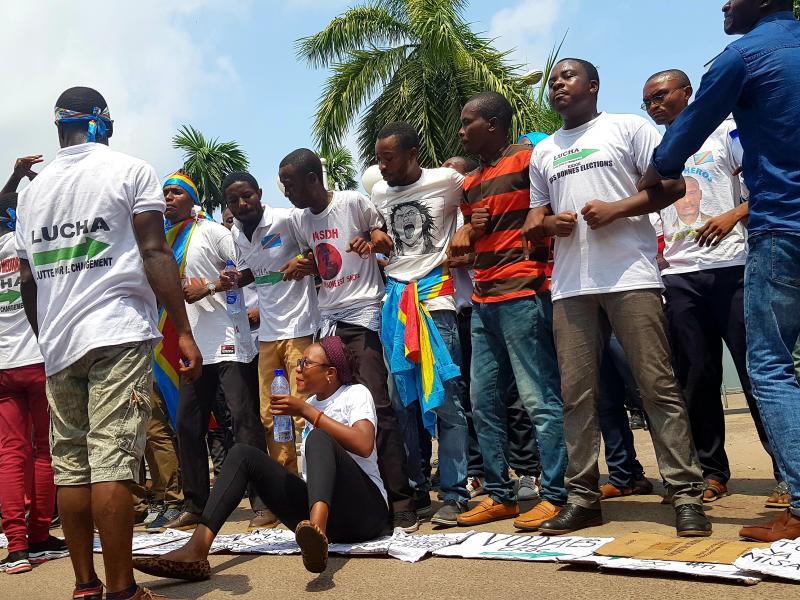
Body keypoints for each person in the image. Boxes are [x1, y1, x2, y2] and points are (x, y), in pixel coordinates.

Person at [15, 86, 202, 600]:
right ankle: (123, 590)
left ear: (60, 127)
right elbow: (154, 251)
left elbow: (30, 280)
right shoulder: (130, 170)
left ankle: (85, 586)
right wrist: (183, 330)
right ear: (102, 121)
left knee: (72, 467)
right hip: (117, 332)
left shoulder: (31, 193)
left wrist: (47, 337)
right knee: (115, 462)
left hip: (58, 344)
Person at [524, 59, 710, 537]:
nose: (558, 85)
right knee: (576, 397)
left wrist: (616, 209)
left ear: (593, 85)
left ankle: (686, 494)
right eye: (553, 81)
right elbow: (532, 224)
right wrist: (550, 224)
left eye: (568, 78)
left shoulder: (628, 128)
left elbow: (672, 185)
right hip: (571, 287)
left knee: (657, 387)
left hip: (631, 275)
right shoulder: (544, 151)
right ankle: (583, 497)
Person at [639, 1, 800, 542]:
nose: (724, 3)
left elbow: (677, 148)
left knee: (769, 368)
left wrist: (659, 167)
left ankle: (795, 496)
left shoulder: (741, 60)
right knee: (700, 375)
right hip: (687, 270)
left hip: (775, 230)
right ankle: (716, 472)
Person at [132, 337, 389, 579]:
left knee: (320, 438)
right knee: (243, 454)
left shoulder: (354, 393)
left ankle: (316, 531)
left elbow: (364, 444)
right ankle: (197, 549)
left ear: (330, 373)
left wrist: (307, 412)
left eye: (305, 363)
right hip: (332, 520)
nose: (298, 369)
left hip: (365, 514)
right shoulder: (311, 402)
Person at [643, 68, 780, 505]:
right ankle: (712, 473)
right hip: (680, 276)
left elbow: (766, 184)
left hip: (734, 268)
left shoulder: (726, 134)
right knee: (696, 378)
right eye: (647, 100)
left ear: (688, 93)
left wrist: (732, 216)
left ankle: (786, 473)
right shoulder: (656, 149)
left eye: (662, 95)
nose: (654, 105)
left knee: (756, 373)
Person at [279, 148, 417, 532]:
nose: (287, 192)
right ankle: (339, 495)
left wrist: (370, 240)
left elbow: (384, 239)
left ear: (312, 179)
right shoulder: (301, 220)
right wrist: (304, 264)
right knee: (327, 407)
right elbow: (318, 257)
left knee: (376, 406)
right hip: (329, 323)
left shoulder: (353, 201)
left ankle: (400, 499)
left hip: (363, 315)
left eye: (291, 184)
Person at [449, 92, 568, 531]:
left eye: (468, 122)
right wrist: (465, 231)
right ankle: (500, 494)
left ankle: (556, 494)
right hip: (483, 301)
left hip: (523, 294)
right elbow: (468, 247)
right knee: (482, 402)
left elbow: (551, 215)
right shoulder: (471, 182)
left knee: (538, 400)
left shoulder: (529, 159)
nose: (461, 131)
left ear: (494, 123)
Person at [370, 122, 470, 526]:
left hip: (435, 297)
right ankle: (416, 488)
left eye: (388, 158)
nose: (382, 166)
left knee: (446, 399)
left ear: (412, 155)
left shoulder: (447, 180)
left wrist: (466, 232)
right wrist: (376, 231)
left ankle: (455, 492)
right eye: (378, 159)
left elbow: (482, 199)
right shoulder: (377, 191)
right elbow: (371, 225)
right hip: (394, 299)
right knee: (402, 401)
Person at [155, 172, 266, 533]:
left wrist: (212, 288)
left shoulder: (212, 231)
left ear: (191, 198)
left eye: (176, 193)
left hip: (228, 339)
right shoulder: (161, 242)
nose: (168, 198)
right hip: (194, 346)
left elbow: (243, 270)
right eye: (165, 193)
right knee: (188, 424)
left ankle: (262, 501)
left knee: (242, 420)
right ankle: (196, 503)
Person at [219, 171, 320, 527]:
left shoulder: (287, 219)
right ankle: (285, 495)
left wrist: (306, 262)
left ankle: (313, 494)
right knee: (271, 416)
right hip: (267, 334)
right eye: (234, 200)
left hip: (300, 328)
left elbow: (318, 250)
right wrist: (237, 279)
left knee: (299, 412)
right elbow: (254, 273)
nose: (242, 204)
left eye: (247, 196)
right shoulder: (234, 233)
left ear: (259, 193)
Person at [443, 155, 543, 503]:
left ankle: (530, 472)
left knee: (522, 397)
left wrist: (467, 242)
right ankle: (486, 478)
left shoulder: (502, 184)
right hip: (469, 308)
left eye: (456, 173)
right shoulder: (453, 213)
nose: (452, 180)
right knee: (478, 399)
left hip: (512, 296)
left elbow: (491, 246)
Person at [0, 160, 66, 576]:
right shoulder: (32, 246)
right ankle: (40, 534)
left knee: (9, 453)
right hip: (38, 359)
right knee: (45, 448)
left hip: (1, 366)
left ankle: (16, 547)